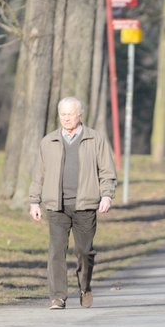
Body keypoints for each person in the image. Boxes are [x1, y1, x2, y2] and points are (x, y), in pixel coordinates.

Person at [29, 96, 116, 310]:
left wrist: (106, 195)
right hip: (57, 205)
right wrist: (34, 201)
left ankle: (85, 287)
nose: (66, 118)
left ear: (80, 115)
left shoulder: (95, 139)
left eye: (70, 114)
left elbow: (107, 171)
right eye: (63, 114)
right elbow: (38, 174)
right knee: (56, 251)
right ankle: (57, 297)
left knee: (84, 251)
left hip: (85, 205)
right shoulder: (48, 141)